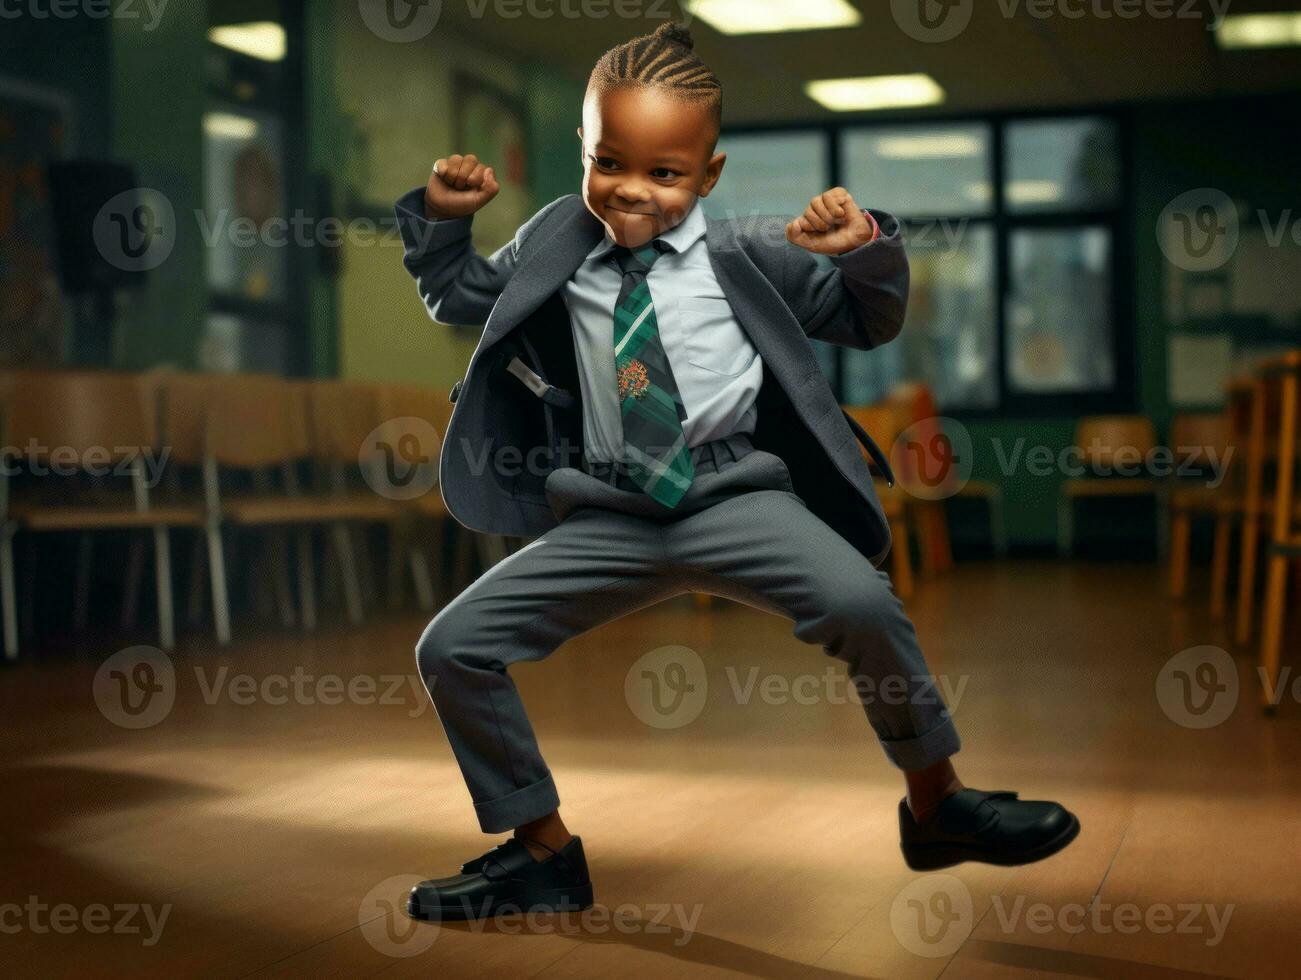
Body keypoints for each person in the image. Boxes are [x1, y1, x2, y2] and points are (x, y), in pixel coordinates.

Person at [394, 21, 1078, 922]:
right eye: (609, 162)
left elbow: (866, 318)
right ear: (583, 150)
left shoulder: (747, 250)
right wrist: (445, 219)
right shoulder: (558, 240)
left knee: (864, 604)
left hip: (733, 495)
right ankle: (540, 850)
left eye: (665, 174)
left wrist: (862, 245)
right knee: (452, 647)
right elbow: (460, 295)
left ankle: (936, 804)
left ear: (708, 174)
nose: (631, 191)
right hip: (610, 507)